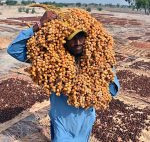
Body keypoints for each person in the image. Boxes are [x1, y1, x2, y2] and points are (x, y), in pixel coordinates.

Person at [7, 11, 120, 142]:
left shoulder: (97, 62)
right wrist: (38, 25)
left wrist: (102, 71)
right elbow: (14, 50)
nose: (77, 42)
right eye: (73, 38)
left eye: (81, 37)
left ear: (87, 38)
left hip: (85, 122)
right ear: (65, 40)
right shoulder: (51, 62)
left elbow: (112, 91)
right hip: (62, 123)